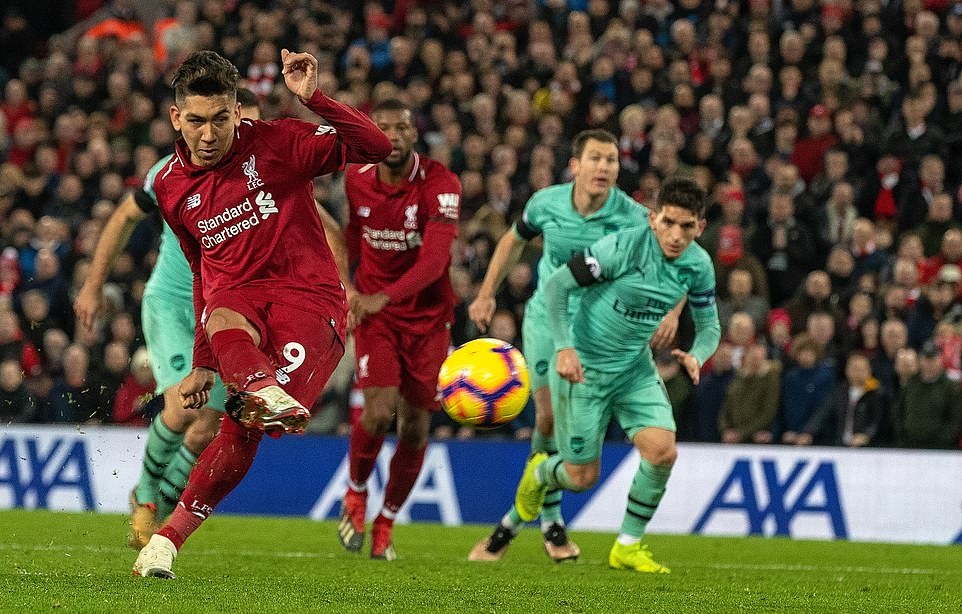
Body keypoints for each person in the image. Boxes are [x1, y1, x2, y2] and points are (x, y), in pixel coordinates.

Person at [129, 49, 391, 579]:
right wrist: (204, 363)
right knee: (223, 315)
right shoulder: (172, 187)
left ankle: (170, 533)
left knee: (240, 428)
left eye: (220, 119)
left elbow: (378, 147)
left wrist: (315, 99)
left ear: (236, 113)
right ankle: (162, 541)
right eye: (196, 121)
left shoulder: (278, 142)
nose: (208, 134)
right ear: (176, 118)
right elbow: (202, 272)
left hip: (309, 306)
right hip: (237, 308)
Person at [466, 129, 679, 563]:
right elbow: (513, 240)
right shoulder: (546, 203)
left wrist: (672, 313)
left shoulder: (634, 216)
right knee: (545, 417)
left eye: (612, 160)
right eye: (596, 158)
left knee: (569, 438)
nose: (605, 167)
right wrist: (487, 292)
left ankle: (525, 519)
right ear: (576, 166)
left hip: (599, 330)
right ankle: (551, 521)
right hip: (548, 319)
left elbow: (676, 259)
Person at [515, 176, 720, 573]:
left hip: (633, 369)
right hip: (585, 369)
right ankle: (539, 473)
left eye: (687, 226)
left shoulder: (698, 266)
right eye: (669, 222)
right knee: (580, 477)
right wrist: (564, 347)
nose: (676, 235)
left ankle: (627, 545)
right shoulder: (621, 248)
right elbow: (556, 286)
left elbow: (709, 326)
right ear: (653, 219)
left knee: (663, 452)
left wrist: (697, 355)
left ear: (701, 227)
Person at [338, 98, 462, 561]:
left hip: (428, 319)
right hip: (379, 318)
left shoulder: (441, 183)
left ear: (415, 134)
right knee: (377, 413)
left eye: (401, 128)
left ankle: (386, 522)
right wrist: (349, 286)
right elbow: (354, 234)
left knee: (414, 427)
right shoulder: (356, 178)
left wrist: (382, 296)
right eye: (383, 127)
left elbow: (435, 261)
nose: (392, 136)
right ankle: (356, 493)